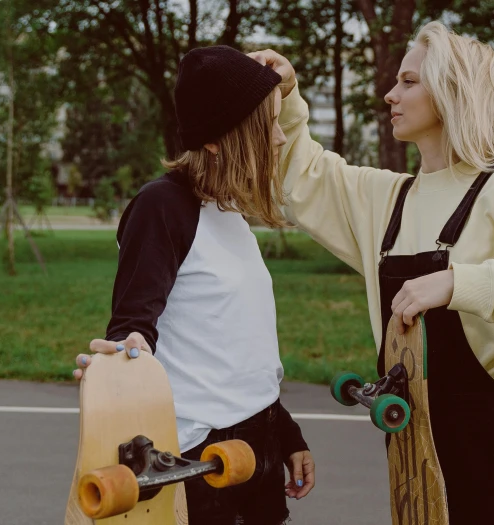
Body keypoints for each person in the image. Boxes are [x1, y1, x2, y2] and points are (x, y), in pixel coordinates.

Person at [250, 20, 494, 524]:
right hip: (414, 450)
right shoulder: (389, 200)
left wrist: (464, 283)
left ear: (450, 92)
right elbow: (303, 176)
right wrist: (287, 95)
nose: (388, 94)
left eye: (408, 81)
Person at [73, 45, 315, 525]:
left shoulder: (227, 212)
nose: (282, 135)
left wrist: (287, 436)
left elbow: (237, 349)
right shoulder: (162, 207)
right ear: (218, 140)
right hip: (198, 463)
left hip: (257, 446)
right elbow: (132, 327)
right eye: (268, 124)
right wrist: (121, 359)